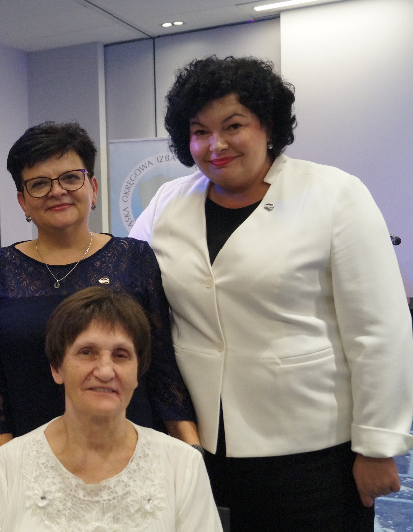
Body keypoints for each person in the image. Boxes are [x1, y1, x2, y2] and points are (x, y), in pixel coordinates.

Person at [129, 55, 413, 531]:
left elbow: (379, 330)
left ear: (268, 125)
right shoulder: (168, 202)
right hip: (200, 445)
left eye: (233, 125)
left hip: (311, 453)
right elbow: (125, 283)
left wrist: (378, 445)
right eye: (199, 131)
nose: (216, 145)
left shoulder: (334, 194)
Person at [0, 121, 199, 453]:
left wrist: (191, 450)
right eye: (39, 184)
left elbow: (162, 368)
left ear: (92, 187)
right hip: (32, 456)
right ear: (22, 201)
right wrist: (8, 464)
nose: (57, 191)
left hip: (132, 450)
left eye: (70, 178)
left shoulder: (133, 258)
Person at [0, 287, 222, 531]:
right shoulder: (2, 470)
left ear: (138, 372)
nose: (105, 371)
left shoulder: (183, 466)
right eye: (87, 352)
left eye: (121, 355)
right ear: (57, 368)